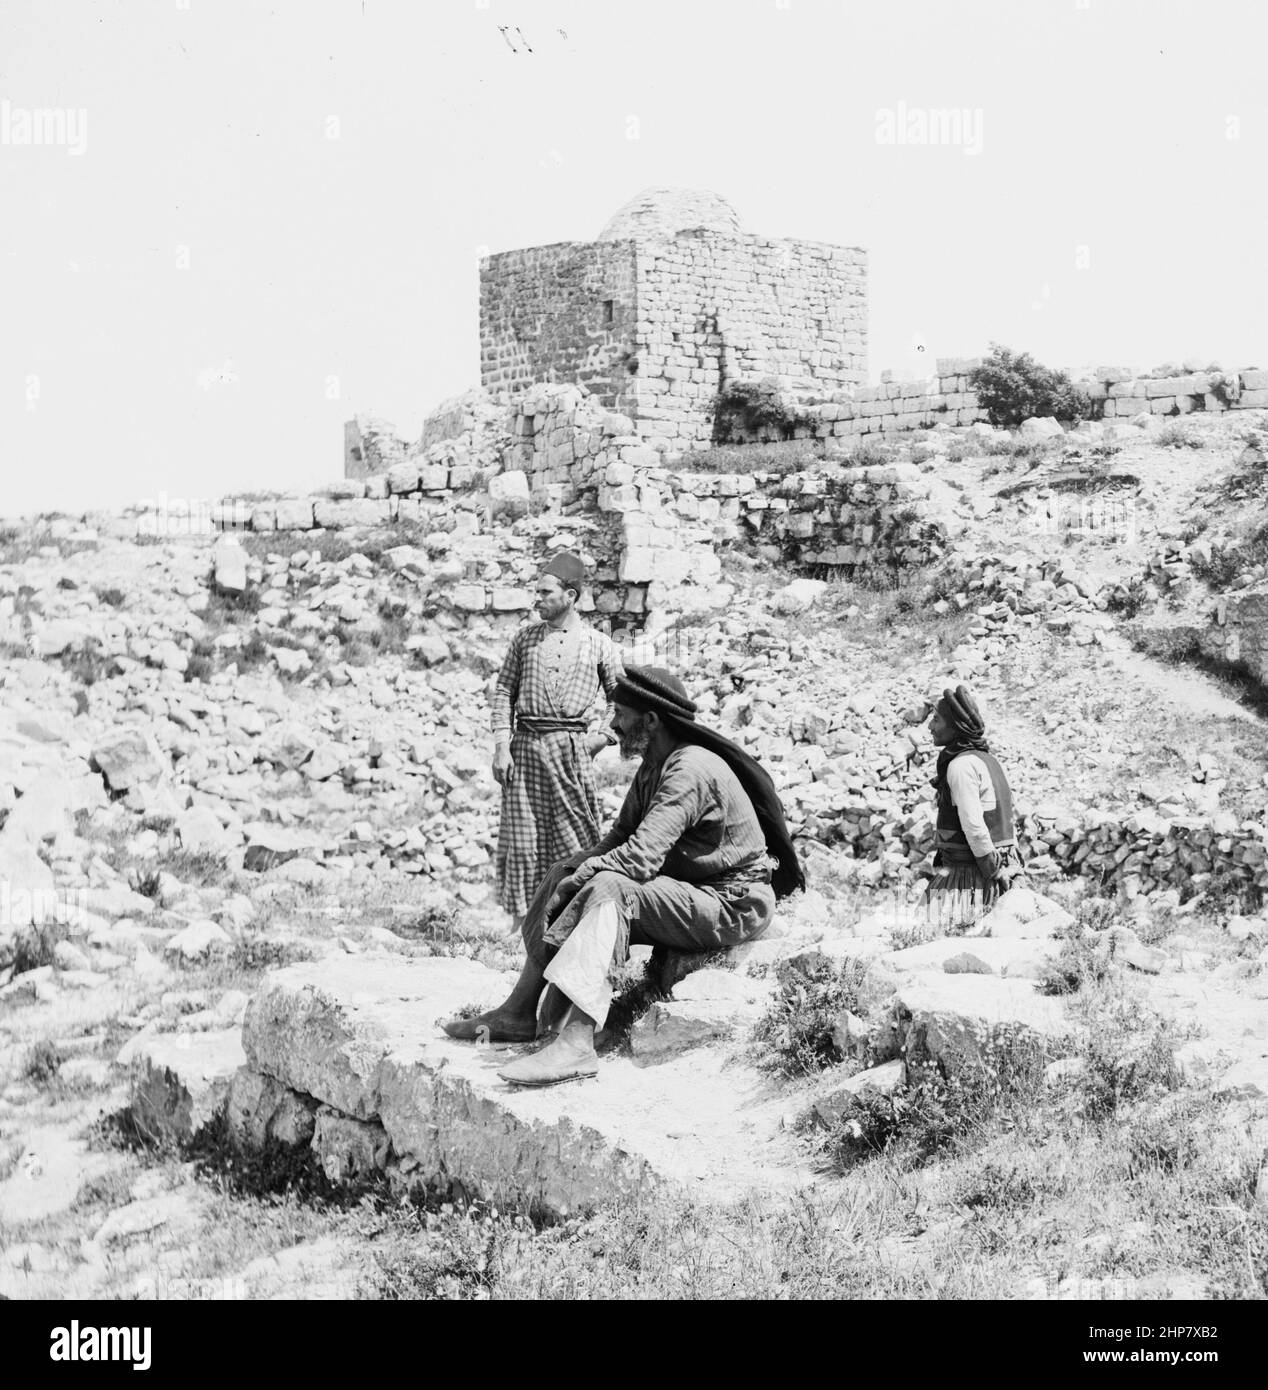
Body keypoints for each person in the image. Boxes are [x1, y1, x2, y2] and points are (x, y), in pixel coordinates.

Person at [444, 665, 805, 1086]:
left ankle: (578, 1042)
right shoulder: (656, 763)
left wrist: (586, 877)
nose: (613, 723)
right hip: (693, 888)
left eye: (620, 713)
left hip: (732, 902)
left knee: (610, 889)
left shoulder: (688, 770)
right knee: (568, 867)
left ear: (650, 720)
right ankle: (520, 1012)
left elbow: (638, 861)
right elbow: (619, 837)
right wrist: (574, 870)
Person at [491, 551, 624, 932]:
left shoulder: (599, 644)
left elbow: (621, 700)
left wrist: (598, 740)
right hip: (525, 748)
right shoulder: (524, 639)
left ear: (570, 596)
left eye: (545, 592)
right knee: (523, 837)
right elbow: (503, 691)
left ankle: (571, 916)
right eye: (536, 592)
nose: (537, 600)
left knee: (575, 834)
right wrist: (502, 746)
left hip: (571, 752)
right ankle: (521, 922)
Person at [925, 684, 1020, 928]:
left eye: (936, 719)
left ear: (955, 726)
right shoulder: (988, 760)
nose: (930, 726)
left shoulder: (960, 766)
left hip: (969, 879)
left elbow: (974, 826)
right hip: (1002, 866)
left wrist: (993, 873)